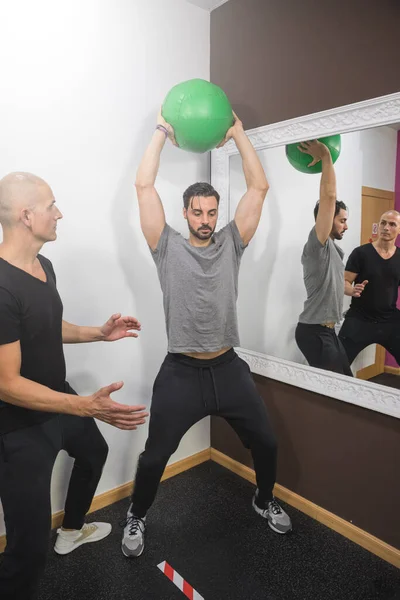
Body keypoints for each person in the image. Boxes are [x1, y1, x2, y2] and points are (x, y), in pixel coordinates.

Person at [121, 110, 292, 559]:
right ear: (185, 212)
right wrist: (160, 130)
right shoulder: (166, 245)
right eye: (197, 211)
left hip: (228, 368)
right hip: (182, 372)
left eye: (211, 212)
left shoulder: (232, 242)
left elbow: (259, 188)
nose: (205, 218)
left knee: (267, 443)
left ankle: (263, 499)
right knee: (155, 457)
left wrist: (237, 131)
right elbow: (143, 187)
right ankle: (137, 514)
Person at [0, 172, 148, 600]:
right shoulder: (2, 287)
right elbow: (6, 384)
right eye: (51, 205)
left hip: (61, 401)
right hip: (20, 425)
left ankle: (71, 530)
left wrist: (99, 333)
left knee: (94, 452)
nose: (59, 212)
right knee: (27, 553)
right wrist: (83, 406)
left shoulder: (42, 266)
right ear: (27, 216)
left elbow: (47, 326)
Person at [294, 140, 352, 376]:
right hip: (313, 331)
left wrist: (349, 289)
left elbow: (332, 282)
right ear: (327, 220)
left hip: (327, 331)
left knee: (346, 381)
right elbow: (328, 197)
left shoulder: (335, 253)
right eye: (342, 220)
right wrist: (326, 156)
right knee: (337, 389)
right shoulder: (317, 245)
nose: (346, 225)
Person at [339, 210, 400, 366]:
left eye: (392, 224)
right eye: (383, 223)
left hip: (390, 320)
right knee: (337, 365)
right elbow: (344, 283)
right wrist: (351, 290)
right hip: (359, 319)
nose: (386, 227)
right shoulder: (361, 253)